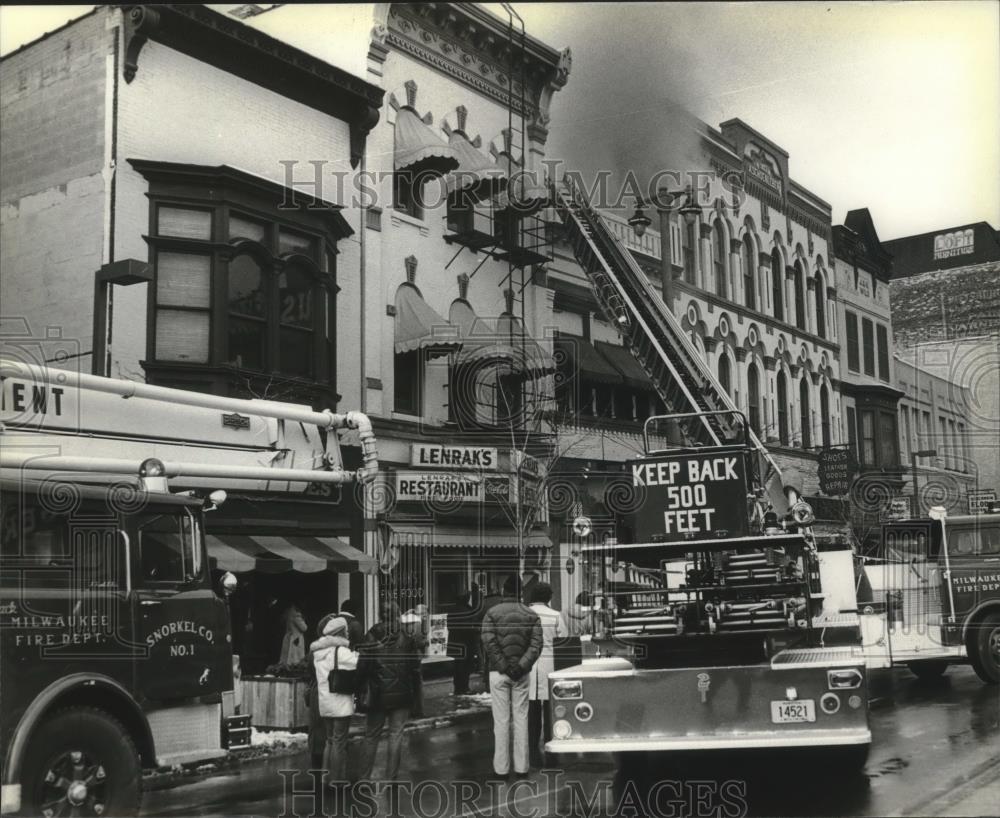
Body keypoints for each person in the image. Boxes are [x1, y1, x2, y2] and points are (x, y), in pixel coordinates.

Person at [357, 600, 425, 782]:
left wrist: (361, 687)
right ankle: (391, 777)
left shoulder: (371, 635)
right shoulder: (406, 636)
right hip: (402, 693)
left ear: (380, 614)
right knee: (396, 735)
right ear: (397, 614)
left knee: (371, 735)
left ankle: (364, 778)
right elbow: (414, 667)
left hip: (377, 693)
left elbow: (362, 665)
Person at [481, 577, 542, 778]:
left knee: (500, 721)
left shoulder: (491, 614)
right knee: (521, 718)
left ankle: (501, 769)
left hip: (498, 673)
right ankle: (522, 767)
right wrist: (521, 666)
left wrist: (504, 666)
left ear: (503, 591)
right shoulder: (531, 614)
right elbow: (535, 646)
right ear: (520, 592)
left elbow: (489, 643)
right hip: (522, 674)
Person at [311, 617, 359, 789]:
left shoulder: (318, 653)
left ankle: (325, 778)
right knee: (339, 742)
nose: (347, 632)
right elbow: (359, 663)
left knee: (329, 741)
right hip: (340, 702)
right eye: (345, 630)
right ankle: (337, 780)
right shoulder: (341, 651)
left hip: (325, 702)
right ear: (340, 632)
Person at [527, 582, 568, 767]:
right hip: (550, 666)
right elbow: (564, 642)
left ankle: (531, 747)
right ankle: (550, 743)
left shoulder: (523, 614)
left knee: (531, 709)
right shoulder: (556, 616)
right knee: (550, 709)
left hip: (527, 666)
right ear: (548, 597)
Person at [306, 613, 336, 772]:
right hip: (330, 690)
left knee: (317, 729)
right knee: (329, 731)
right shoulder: (337, 649)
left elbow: (310, 669)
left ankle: (317, 766)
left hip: (317, 690)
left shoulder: (314, 648)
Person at [447, 590, 478, 695]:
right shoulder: (468, 610)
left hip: (455, 643)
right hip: (466, 643)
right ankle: (464, 687)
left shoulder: (452, 610)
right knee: (466, 667)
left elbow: (450, 626)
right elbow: (469, 628)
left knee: (458, 666)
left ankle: (458, 688)